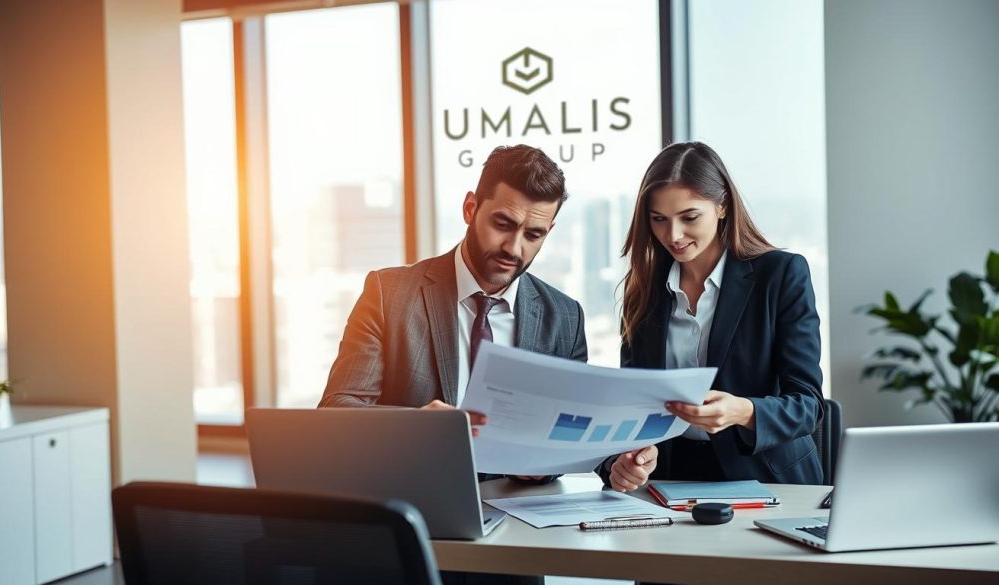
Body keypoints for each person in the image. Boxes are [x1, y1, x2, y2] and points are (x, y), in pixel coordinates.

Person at [320, 144, 588, 585]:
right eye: (503, 224)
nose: (514, 248)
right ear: (470, 207)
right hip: (411, 537)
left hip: (516, 547)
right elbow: (335, 411)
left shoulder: (565, 316)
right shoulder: (390, 294)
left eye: (534, 235)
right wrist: (417, 427)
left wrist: (549, 461)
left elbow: (567, 438)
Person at [600, 141, 825, 493]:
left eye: (689, 217)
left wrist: (744, 411)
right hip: (670, 479)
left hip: (766, 478)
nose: (673, 235)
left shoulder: (780, 275)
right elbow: (636, 404)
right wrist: (627, 461)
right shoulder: (644, 291)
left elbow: (808, 405)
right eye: (659, 219)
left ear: (722, 207)